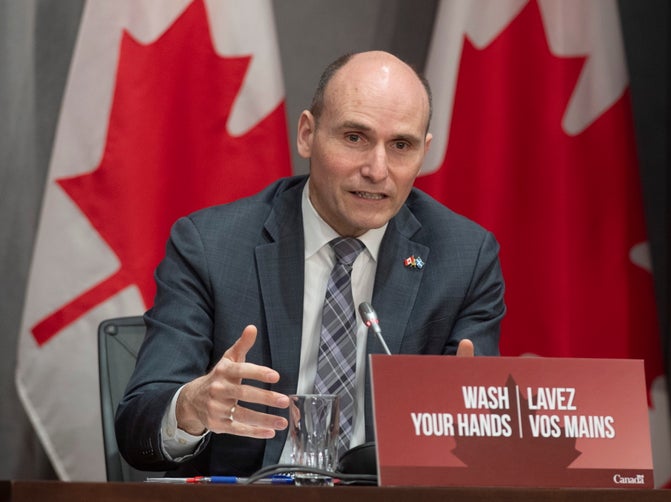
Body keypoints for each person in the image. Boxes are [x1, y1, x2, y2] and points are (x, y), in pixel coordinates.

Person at [115, 50, 506, 476]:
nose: (377, 169)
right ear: (307, 134)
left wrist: (475, 421)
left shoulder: (464, 258)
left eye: (401, 146)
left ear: (424, 153)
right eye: (355, 137)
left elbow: (472, 451)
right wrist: (190, 407)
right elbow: (138, 429)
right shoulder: (211, 247)